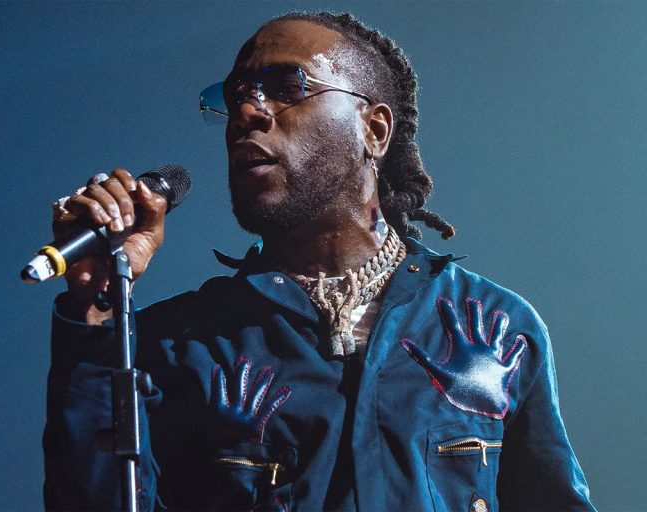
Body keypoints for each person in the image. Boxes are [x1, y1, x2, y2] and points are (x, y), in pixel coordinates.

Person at [43, 12, 595, 512]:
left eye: (287, 87)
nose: (247, 112)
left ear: (374, 130)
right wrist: (95, 308)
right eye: (235, 97)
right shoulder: (175, 344)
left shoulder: (493, 329)